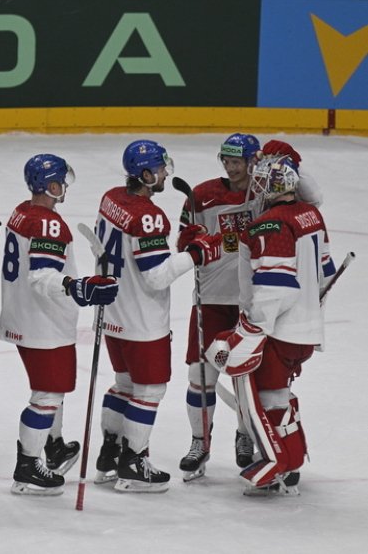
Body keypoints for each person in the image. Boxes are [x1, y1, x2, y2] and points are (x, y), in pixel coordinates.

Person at [93, 140, 222, 493]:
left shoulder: (110, 198)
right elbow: (156, 275)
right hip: (141, 320)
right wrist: (197, 253)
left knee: (124, 386)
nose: (166, 173)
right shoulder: (149, 216)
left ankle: (110, 453)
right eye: (161, 168)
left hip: (112, 312)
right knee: (149, 390)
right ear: (147, 175)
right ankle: (133, 462)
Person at [205, 154, 335, 496]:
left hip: (279, 329)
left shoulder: (269, 224)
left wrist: (250, 328)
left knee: (261, 396)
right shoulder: (311, 215)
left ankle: (278, 464)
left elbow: (276, 287)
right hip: (307, 328)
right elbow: (326, 270)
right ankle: (291, 465)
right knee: (281, 395)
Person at [0, 154, 119, 496]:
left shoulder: (22, 211)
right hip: (42, 322)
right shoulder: (49, 224)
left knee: (53, 391)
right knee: (47, 395)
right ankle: (28, 468)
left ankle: (53, 445)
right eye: (61, 181)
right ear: (51, 185)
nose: (64, 187)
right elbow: (42, 276)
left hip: (26, 316)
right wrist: (76, 287)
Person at [175, 134, 261, 481]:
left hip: (251, 302)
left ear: (253, 161)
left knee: (247, 379)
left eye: (237, 160)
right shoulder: (202, 194)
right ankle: (200, 442)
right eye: (225, 159)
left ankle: (245, 435)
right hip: (210, 298)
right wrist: (192, 238)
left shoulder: (264, 194)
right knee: (200, 377)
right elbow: (182, 243)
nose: (229, 166)